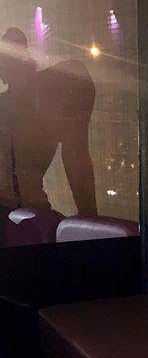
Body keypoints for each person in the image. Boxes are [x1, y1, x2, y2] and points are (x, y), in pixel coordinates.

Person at [0, 27, 97, 217]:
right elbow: (76, 157)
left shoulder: (63, 86)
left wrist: (90, 220)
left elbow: (76, 158)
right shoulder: (62, 86)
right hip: (27, 216)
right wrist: (90, 220)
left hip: (27, 216)